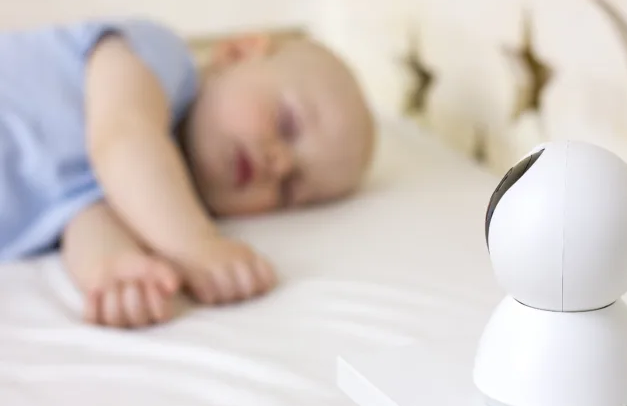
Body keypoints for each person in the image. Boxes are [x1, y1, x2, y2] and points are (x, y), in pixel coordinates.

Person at [0, 19, 375, 328]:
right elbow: (124, 139)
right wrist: (197, 244)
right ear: (237, 53)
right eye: (287, 124)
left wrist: (118, 271)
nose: (279, 165)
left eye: (290, 189)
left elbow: (85, 213)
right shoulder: (159, 56)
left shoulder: (151, 201)